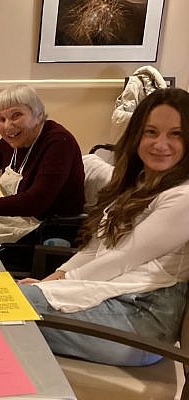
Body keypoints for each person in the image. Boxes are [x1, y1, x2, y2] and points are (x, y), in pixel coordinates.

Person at [18, 88, 189, 366]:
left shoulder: (183, 197)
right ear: (137, 134)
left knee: (2, 306)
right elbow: (95, 248)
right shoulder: (138, 183)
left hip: (141, 323)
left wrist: (54, 288)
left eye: (176, 134)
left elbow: (122, 258)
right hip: (114, 299)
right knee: (1, 302)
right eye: (151, 132)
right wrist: (53, 280)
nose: (161, 144)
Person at [0, 84, 85, 246]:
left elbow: (35, 201)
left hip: (49, 228)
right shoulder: (18, 138)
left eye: (16, 115)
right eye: (1, 119)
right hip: (21, 218)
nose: (8, 126)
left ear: (38, 116)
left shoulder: (58, 142)